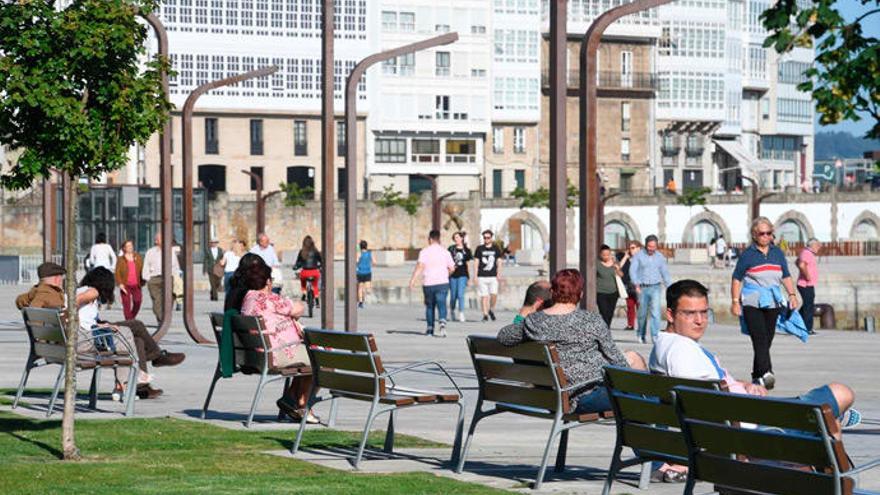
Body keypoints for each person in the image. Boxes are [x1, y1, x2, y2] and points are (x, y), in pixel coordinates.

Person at [651, 279, 861, 432]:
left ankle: (834, 417)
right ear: (670, 314)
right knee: (841, 393)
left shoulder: (664, 344)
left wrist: (743, 386)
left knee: (828, 403)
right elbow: (710, 410)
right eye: (690, 313)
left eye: (704, 312)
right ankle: (835, 418)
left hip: (750, 414)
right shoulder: (682, 353)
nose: (699, 320)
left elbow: (713, 388)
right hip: (757, 428)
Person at [497, 269, 646, 414]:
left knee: (638, 374)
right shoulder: (590, 320)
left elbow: (504, 336)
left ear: (553, 293)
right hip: (586, 394)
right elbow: (618, 362)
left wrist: (525, 318)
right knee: (652, 397)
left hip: (556, 394)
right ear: (580, 294)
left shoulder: (534, 321)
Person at [239, 262, 317, 423]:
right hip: (277, 354)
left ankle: (291, 398)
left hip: (257, 354)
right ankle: (302, 405)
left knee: (311, 356)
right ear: (267, 281)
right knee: (322, 356)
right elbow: (299, 308)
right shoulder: (270, 299)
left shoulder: (247, 299)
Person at [731, 216, 800, 389]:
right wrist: (735, 301)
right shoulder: (748, 255)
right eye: (762, 233)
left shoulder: (777, 253)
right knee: (759, 338)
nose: (766, 237)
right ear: (755, 235)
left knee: (767, 339)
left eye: (769, 233)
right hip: (752, 302)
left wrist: (792, 294)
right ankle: (767, 373)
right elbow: (737, 278)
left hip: (772, 302)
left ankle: (757, 375)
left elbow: (785, 275)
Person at [409, 230, 455, 337]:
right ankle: (442, 323)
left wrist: (413, 280)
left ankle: (430, 329)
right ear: (439, 239)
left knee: (430, 306)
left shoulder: (424, 252)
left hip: (428, 282)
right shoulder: (445, 252)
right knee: (442, 303)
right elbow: (452, 268)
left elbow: (420, 266)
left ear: (430, 239)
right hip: (442, 282)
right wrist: (445, 274)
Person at [629, 234, 671, 344]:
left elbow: (665, 273)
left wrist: (670, 286)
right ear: (645, 245)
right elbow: (633, 271)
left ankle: (655, 335)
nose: (651, 249)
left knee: (656, 313)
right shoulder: (638, 256)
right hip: (642, 288)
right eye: (649, 246)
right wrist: (636, 284)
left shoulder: (660, 257)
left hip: (656, 287)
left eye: (653, 247)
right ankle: (641, 334)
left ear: (656, 246)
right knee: (642, 314)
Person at [142, 232, 181, 326]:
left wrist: (177, 278)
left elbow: (175, 266)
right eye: (157, 238)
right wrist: (147, 278)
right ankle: (162, 319)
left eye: (159, 238)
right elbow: (146, 265)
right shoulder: (150, 252)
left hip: (168, 278)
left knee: (170, 299)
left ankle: (164, 319)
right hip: (154, 278)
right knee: (157, 301)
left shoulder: (170, 251)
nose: (157, 240)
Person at [473, 229, 503, 322]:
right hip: (482, 275)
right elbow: (476, 262)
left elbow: (499, 261)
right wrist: (475, 275)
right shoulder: (479, 248)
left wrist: (499, 273)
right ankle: (485, 314)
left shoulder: (496, 248)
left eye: (488, 238)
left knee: (494, 295)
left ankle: (491, 309)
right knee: (484, 296)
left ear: (491, 238)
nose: (486, 239)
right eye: (484, 238)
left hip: (493, 275)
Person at [115, 239, 144, 320]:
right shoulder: (121, 259)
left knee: (138, 301)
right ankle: (129, 321)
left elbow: (143, 269)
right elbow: (117, 272)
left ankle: (131, 318)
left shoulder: (137, 257)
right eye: (128, 246)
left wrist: (143, 280)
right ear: (124, 248)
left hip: (136, 285)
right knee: (126, 304)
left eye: (131, 245)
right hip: (125, 285)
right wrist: (120, 283)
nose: (130, 247)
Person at [797, 238, 821, 335]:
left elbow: (797, 262)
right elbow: (801, 265)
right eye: (817, 245)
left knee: (806, 306)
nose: (819, 247)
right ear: (812, 245)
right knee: (808, 307)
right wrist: (807, 276)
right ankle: (807, 328)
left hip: (808, 284)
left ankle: (795, 322)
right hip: (805, 284)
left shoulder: (806, 253)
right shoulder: (807, 253)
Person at [596, 244, 623, 329]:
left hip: (613, 292)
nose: (606, 257)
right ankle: (605, 329)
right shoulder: (597, 263)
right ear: (600, 254)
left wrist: (617, 269)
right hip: (600, 292)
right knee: (603, 312)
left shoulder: (615, 262)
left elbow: (621, 275)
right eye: (604, 255)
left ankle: (606, 328)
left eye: (608, 254)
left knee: (610, 312)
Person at [448, 231, 473, 322]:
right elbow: (447, 262)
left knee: (460, 294)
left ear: (462, 238)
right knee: (453, 296)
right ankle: (452, 310)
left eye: (458, 237)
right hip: (453, 275)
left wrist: (470, 277)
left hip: (463, 274)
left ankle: (461, 313)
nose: (456, 239)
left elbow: (468, 264)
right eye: (455, 238)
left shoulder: (466, 250)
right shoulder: (451, 249)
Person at [293, 235, 323, 308]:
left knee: (303, 283)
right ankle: (317, 302)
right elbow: (321, 260)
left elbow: (298, 262)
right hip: (314, 272)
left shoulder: (302, 252)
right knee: (315, 285)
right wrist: (320, 266)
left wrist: (295, 267)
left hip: (305, 272)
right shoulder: (316, 251)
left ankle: (304, 293)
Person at [619, 241, 640, 331]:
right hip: (629, 285)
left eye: (633, 248)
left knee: (640, 306)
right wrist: (625, 257)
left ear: (638, 248)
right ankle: (630, 325)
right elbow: (618, 267)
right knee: (630, 305)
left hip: (640, 286)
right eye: (630, 248)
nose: (631, 250)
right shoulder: (627, 259)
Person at [356, 240, 373, 309]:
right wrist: (369, 264)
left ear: (360, 247)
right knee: (368, 286)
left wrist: (358, 264)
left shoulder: (359, 254)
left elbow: (356, 261)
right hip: (368, 271)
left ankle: (360, 302)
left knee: (360, 287)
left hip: (360, 272)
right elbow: (374, 261)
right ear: (366, 246)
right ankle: (367, 295)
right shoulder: (370, 253)